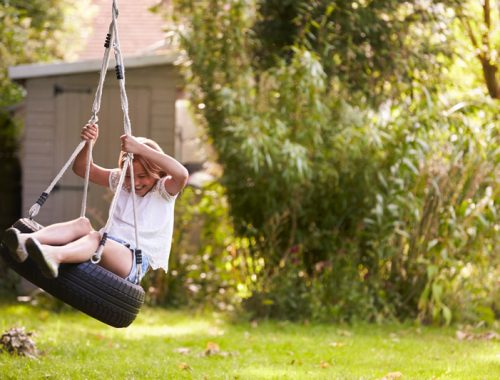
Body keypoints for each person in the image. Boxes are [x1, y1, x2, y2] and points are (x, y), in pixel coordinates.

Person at [3, 124, 189, 283]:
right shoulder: (121, 181)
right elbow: (83, 169)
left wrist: (141, 149)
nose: (135, 182)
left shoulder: (163, 190)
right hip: (106, 246)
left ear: (158, 173)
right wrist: (89, 143)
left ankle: (54, 256)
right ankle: (23, 241)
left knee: (97, 239)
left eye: (142, 176)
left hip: (133, 261)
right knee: (82, 224)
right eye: (129, 176)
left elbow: (182, 174)